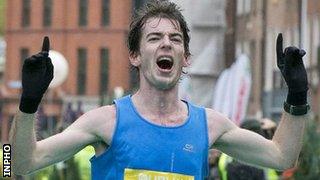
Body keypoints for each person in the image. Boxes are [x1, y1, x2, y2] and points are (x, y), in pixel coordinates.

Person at [10, 0, 310, 179]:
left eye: (175, 39)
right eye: (154, 38)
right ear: (135, 56)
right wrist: (28, 104)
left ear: (185, 58)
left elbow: (282, 157)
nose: (166, 43)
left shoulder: (210, 125)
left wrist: (296, 97)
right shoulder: (104, 121)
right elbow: (18, 163)